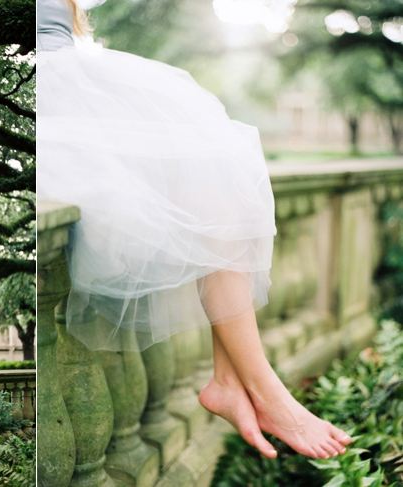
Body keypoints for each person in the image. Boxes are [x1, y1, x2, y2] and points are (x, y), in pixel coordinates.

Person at [36, 0, 352, 459]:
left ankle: (231, 379)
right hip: (49, 96)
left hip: (77, 84)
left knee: (218, 169)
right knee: (205, 160)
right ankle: (265, 390)